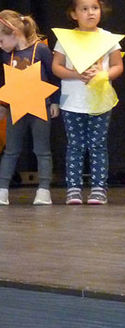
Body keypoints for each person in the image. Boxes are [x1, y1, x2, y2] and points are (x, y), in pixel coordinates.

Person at [51, 0, 123, 205]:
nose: (90, 13)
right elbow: (56, 67)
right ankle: (73, 188)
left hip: (100, 101)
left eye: (94, 8)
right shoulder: (66, 38)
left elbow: (118, 66)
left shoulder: (108, 38)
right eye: (84, 9)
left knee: (98, 145)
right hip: (72, 102)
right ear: (74, 14)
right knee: (75, 145)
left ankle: (99, 188)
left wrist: (103, 75)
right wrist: (75, 74)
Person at [0, 11, 60, 205]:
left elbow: (53, 76)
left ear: (15, 34)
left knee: (42, 150)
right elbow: (5, 82)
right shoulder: (6, 56)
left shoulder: (40, 50)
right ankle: (2, 190)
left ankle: (43, 191)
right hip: (15, 109)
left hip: (40, 107)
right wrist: (3, 105)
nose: (0, 46)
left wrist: (56, 101)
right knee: (11, 150)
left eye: (1, 41)